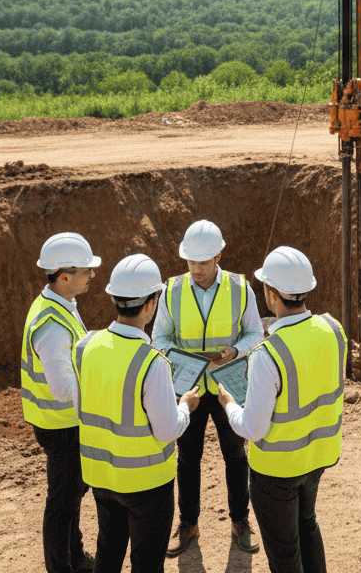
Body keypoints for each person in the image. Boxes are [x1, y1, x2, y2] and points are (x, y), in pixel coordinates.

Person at [217, 246, 344, 573]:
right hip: (318, 456)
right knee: (308, 525)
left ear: (271, 295)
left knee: (285, 554)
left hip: (277, 471)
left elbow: (253, 428)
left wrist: (230, 405)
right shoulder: (333, 330)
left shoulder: (267, 354)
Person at [74, 254, 200, 573]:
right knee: (146, 564)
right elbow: (167, 430)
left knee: (108, 552)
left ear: (115, 298)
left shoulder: (86, 347)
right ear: (150, 304)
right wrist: (185, 405)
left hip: (101, 476)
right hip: (147, 485)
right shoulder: (152, 363)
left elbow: (82, 407)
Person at [151, 220, 263, 557]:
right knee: (187, 459)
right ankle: (188, 524)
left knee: (235, 456)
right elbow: (159, 337)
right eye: (191, 262)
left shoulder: (241, 288)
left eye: (203, 262)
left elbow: (255, 333)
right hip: (189, 391)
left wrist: (235, 351)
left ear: (218, 256)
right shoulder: (171, 291)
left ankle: (240, 522)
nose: (197, 269)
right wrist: (181, 358)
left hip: (227, 386)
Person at [21, 232, 99, 573]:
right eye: (86, 270)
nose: (92, 275)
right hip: (61, 425)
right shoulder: (52, 324)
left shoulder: (58, 306)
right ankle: (62, 567)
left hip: (63, 423)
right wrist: (104, 387)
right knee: (62, 503)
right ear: (64, 276)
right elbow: (63, 388)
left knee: (70, 496)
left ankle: (75, 555)